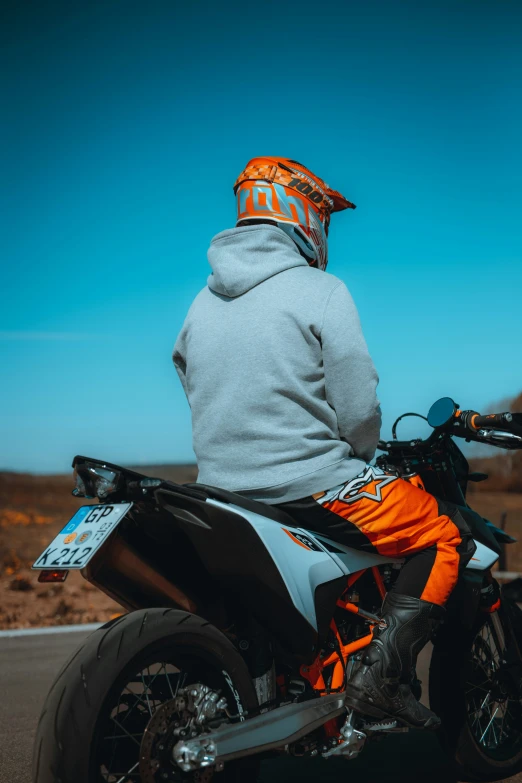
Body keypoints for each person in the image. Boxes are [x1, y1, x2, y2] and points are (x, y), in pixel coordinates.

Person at [173, 156, 474, 730]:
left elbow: (189, 376)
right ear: (303, 214)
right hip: (313, 484)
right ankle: (380, 683)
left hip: (219, 493)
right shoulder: (321, 290)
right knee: (441, 534)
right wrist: (358, 453)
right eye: (323, 217)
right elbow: (358, 404)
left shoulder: (200, 303)